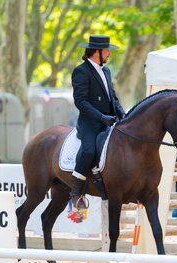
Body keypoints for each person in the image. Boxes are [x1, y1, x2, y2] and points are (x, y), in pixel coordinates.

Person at [70, 35, 126, 211]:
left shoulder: (106, 71)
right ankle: (76, 192)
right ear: (96, 52)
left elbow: (113, 98)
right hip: (90, 123)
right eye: (107, 50)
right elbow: (81, 101)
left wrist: (123, 115)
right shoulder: (81, 71)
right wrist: (101, 117)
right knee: (89, 150)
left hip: (109, 121)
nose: (109, 53)